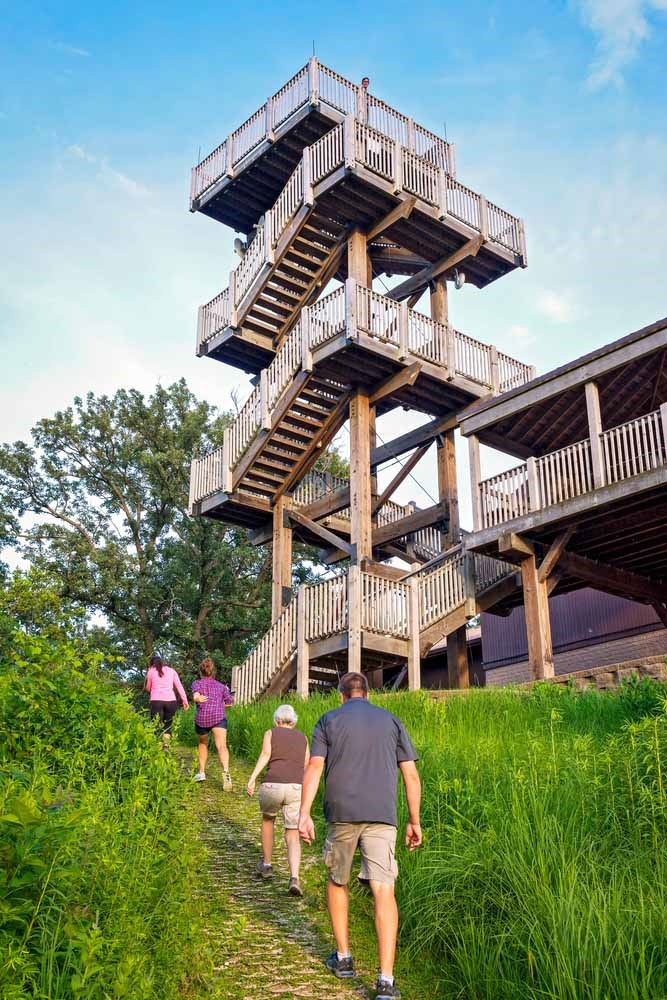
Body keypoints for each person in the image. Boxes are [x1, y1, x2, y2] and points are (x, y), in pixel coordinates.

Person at [298, 672, 422, 1000]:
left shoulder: (328, 719)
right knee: (384, 890)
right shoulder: (391, 721)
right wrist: (414, 820)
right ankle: (385, 981)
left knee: (338, 880)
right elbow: (410, 773)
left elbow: (314, 767)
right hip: (382, 815)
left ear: (342, 696)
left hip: (342, 814)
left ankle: (343, 959)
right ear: (368, 694)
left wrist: (303, 813)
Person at [246, 703, 309, 897]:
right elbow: (306, 765)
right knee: (292, 832)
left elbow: (266, 755)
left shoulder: (270, 733)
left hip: (272, 785)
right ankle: (295, 877)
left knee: (268, 820)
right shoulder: (303, 738)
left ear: (276, 720)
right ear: (294, 721)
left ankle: (266, 865)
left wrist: (252, 778)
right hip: (295, 788)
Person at [191, 657, 234, 789]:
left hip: (202, 718)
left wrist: (198, 698)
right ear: (213, 672)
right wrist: (220, 704)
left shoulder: (196, 683)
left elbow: (195, 697)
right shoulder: (221, 686)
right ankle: (226, 773)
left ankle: (202, 772)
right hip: (218, 716)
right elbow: (230, 702)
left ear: (200, 672)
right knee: (221, 746)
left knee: (203, 743)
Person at [145, 654, 189, 748]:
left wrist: (153, 688)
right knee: (167, 726)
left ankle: (157, 749)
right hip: (171, 701)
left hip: (156, 701)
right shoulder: (171, 671)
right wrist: (185, 701)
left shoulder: (151, 671)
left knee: (156, 726)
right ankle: (166, 747)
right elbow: (179, 686)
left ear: (152, 664)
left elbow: (148, 688)